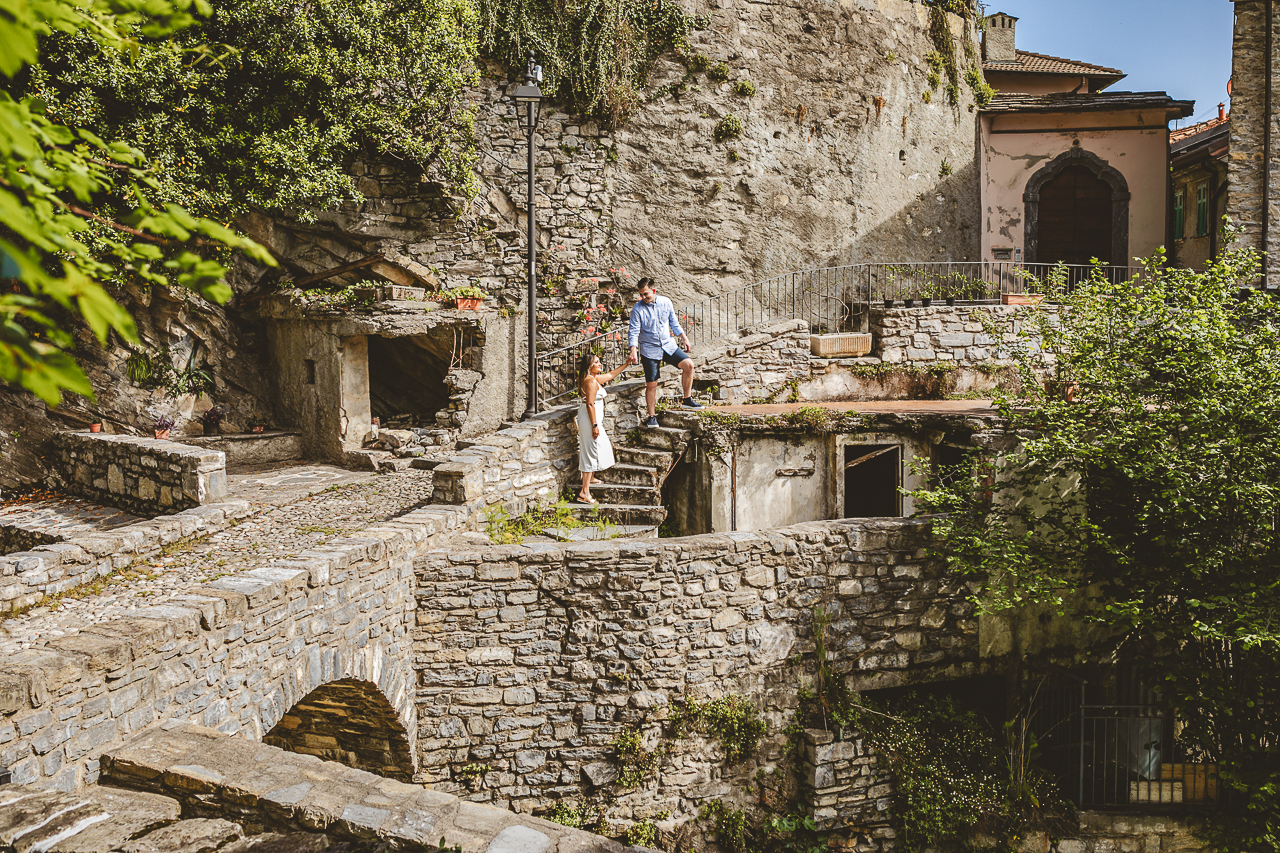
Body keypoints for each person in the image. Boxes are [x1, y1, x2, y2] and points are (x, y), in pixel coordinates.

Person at [627, 277, 702, 428]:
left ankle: (687, 400)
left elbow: (673, 321)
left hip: (668, 345)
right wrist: (633, 350)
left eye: (645, 294)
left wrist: (684, 338)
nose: (643, 298)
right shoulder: (637, 309)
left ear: (653, 291)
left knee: (689, 365)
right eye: (641, 295)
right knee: (652, 384)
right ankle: (652, 416)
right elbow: (633, 331)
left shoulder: (666, 302)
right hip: (649, 348)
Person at [576, 351, 629, 504]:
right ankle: (584, 492)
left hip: (591, 420)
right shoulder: (591, 382)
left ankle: (591, 478)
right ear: (589, 366)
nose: (600, 364)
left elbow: (611, 374)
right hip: (589, 421)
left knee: (598, 447)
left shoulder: (593, 379)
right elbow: (590, 404)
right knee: (590, 451)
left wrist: (627, 364)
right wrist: (594, 425)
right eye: (597, 362)